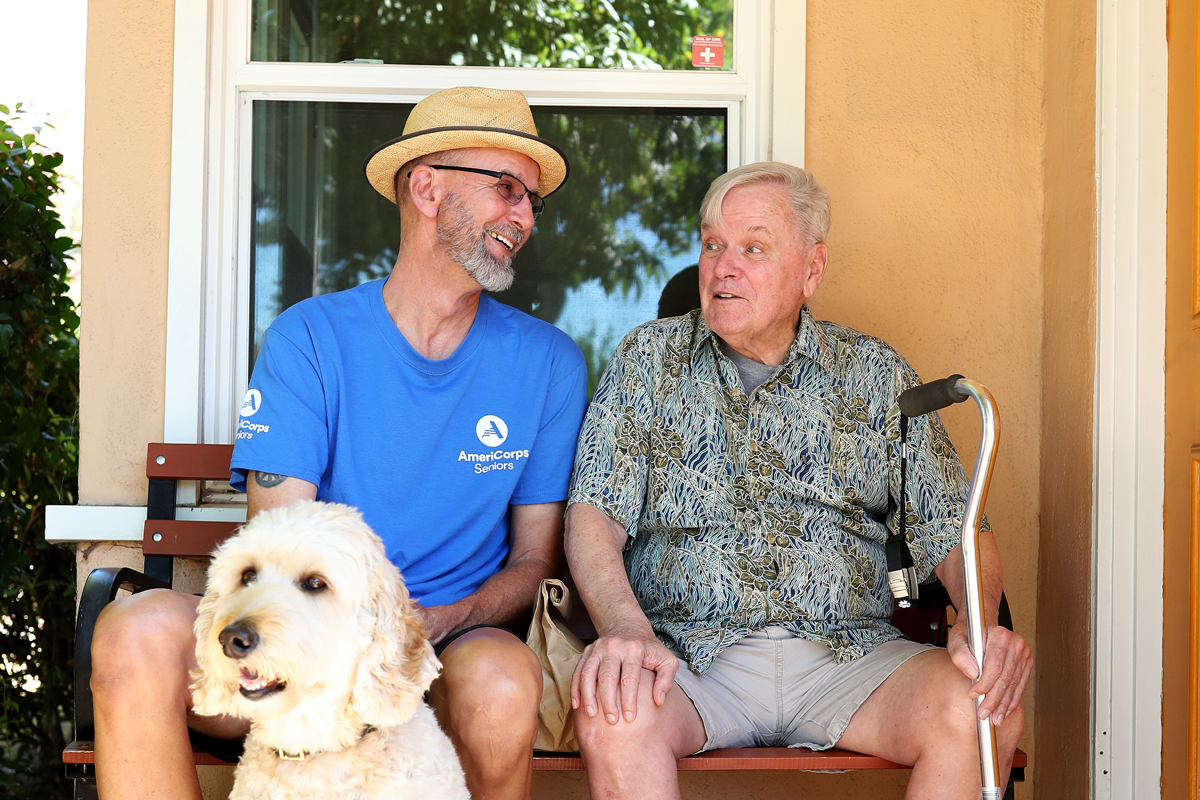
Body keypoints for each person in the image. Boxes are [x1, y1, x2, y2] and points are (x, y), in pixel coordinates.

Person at [89, 86, 588, 800]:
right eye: (506, 189)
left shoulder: (548, 364)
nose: (523, 217)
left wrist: (439, 620)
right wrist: (353, 637)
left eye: (532, 202)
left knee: (506, 682)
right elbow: (281, 538)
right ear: (426, 187)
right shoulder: (312, 338)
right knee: (132, 631)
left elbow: (536, 557)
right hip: (302, 637)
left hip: (443, 648)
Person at [564, 162, 1031, 799]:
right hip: (691, 659)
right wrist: (626, 632)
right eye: (712, 245)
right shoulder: (650, 359)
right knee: (613, 710)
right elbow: (594, 517)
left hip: (849, 659)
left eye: (752, 247)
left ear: (812, 270)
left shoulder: (872, 371)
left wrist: (978, 630)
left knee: (983, 708)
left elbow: (955, 527)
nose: (722, 266)